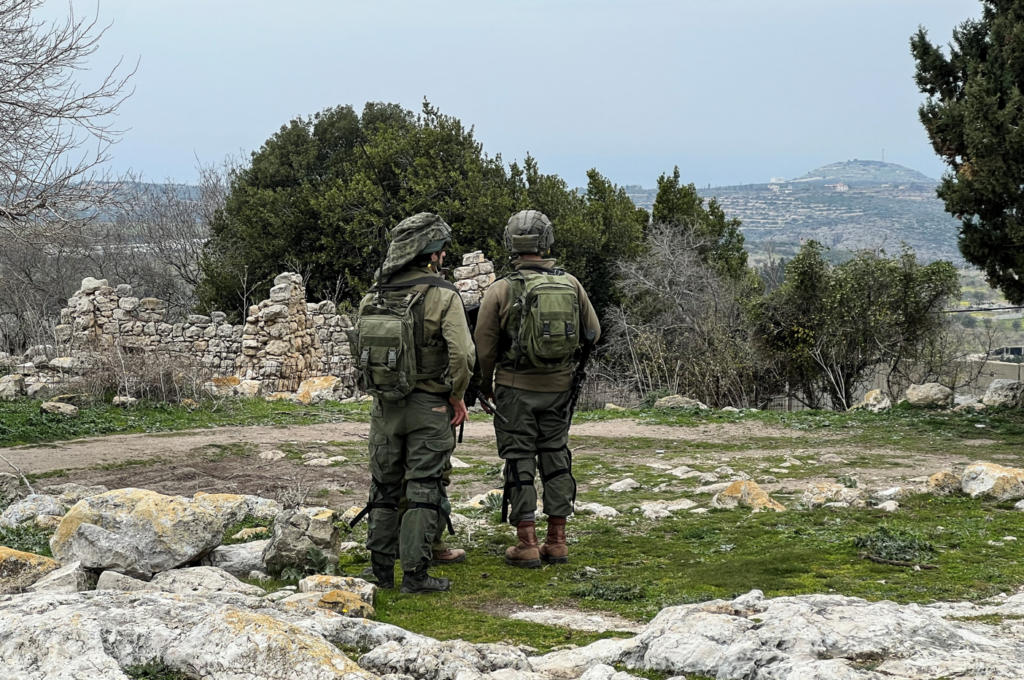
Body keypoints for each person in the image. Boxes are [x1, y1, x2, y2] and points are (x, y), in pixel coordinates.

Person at [349, 213, 474, 593]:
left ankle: (380, 571)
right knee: (423, 487)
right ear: (431, 253)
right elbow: (463, 356)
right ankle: (416, 576)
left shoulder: (375, 293)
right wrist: (456, 395)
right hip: (429, 406)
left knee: (384, 487)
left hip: (384, 408)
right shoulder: (443, 295)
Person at [473, 210, 601, 568]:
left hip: (514, 390)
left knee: (519, 461)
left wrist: (484, 388)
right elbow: (594, 332)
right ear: (547, 242)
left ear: (511, 244)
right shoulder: (571, 284)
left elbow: (483, 348)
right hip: (560, 390)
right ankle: (557, 540)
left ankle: (526, 543)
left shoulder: (500, 290)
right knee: (556, 458)